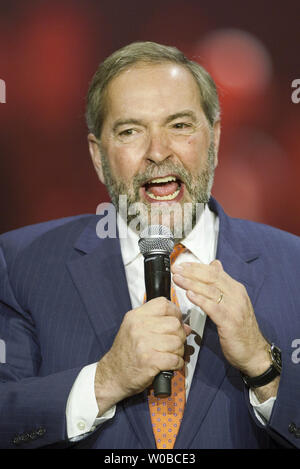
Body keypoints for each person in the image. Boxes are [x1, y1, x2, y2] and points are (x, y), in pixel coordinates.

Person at [0, 41, 299, 449]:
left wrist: (264, 368)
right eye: (130, 131)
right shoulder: (19, 263)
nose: (158, 152)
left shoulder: (293, 265)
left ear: (214, 138)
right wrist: (105, 380)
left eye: (179, 126)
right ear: (97, 155)